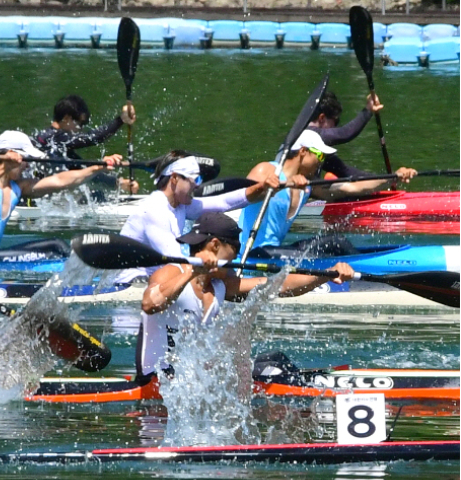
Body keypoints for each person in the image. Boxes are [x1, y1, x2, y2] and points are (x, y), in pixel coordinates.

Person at [136, 211, 356, 380]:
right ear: (215, 245)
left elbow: (278, 285)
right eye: (235, 251)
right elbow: (149, 304)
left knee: (274, 362)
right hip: (157, 381)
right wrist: (195, 271)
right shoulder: (173, 272)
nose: (235, 260)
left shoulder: (222, 286)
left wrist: (325, 275)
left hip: (192, 381)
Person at [239, 130, 416, 258]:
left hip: (275, 252)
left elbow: (352, 188)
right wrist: (284, 185)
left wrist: (393, 178)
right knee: (330, 247)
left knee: (335, 243)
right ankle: (365, 273)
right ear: (303, 151)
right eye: (320, 155)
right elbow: (244, 196)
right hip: (251, 253)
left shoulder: (308, 186)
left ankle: (363, 266)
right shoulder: (266, 170)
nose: (321, 161)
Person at [0, 130, 124, 262]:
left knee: (57, 246)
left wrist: (98, 167)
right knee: (56, 246)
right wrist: (3, 166)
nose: (27, 165)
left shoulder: (18, 187)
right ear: (11, 155)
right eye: (26, 159)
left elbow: (60, 181)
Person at [115, 150, 280, 284]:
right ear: (174, 178)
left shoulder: (180, 205)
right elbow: (177, 261)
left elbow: (223, 202)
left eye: (199, 179)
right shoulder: (154, 211)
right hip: (132, 283)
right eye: (194, 179)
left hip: (159, 278)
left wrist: (261, 188)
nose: (198, 185)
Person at [32, 94, 139, 195]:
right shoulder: (52, 137)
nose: (81, 129)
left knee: (97, 195)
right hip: (35, 200)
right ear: (66, 118)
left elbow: (82, 168)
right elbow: (94, 138)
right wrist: (121, 120)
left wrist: (118, 183)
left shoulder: (56, 142)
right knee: (97, 197)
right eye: (80, 123)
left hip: (47, 196)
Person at [307, 91, 416, 180]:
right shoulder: (309, 135)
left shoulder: (317, 149)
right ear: (321, 118)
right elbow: (345, 133)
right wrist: (368, 110)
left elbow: (348, 172)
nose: (335, 128)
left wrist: (391, 177)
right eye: (335, 122)